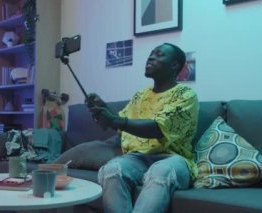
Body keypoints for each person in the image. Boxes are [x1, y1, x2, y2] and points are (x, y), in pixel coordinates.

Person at [85, 43, 199, 213]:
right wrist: (103, 108)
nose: (151, 57)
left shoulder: (186, 95)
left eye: (159, 55)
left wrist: (115, 120)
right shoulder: (140, 95)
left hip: (173, 159)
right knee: (112, 170)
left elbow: (158, 128)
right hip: (137, 158)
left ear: (174, 65)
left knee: (161, 171)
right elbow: (123, 122)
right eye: (151, 54)